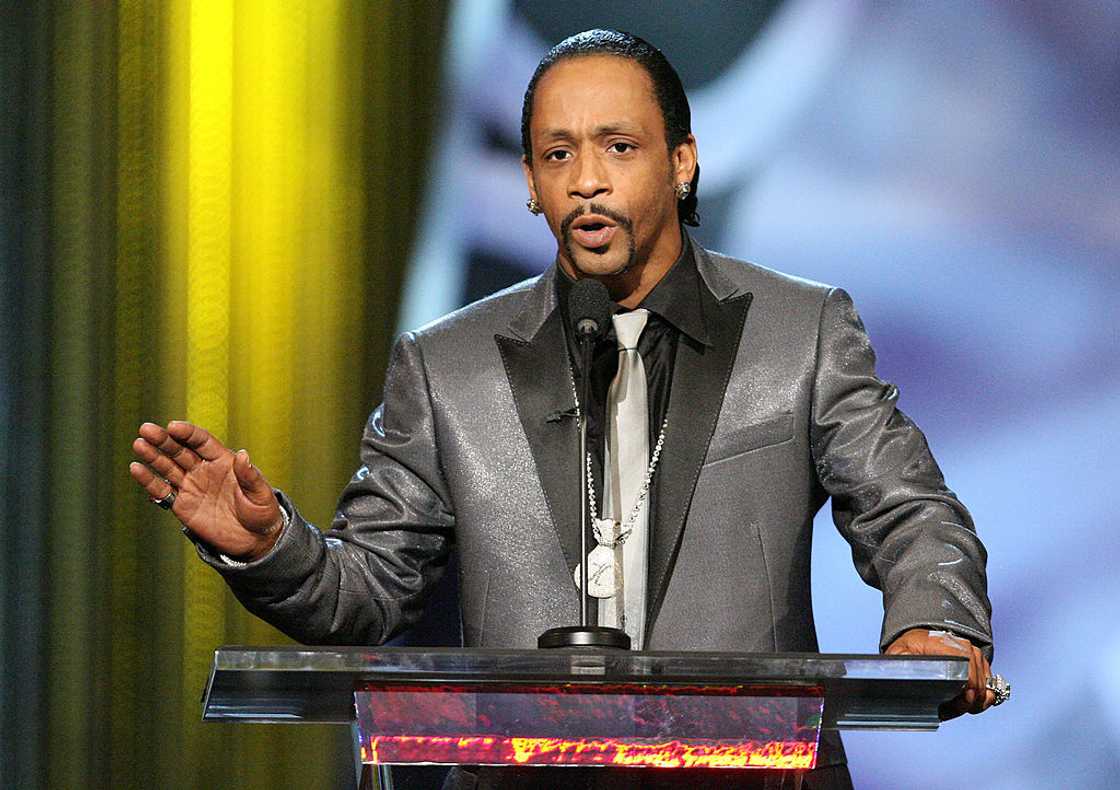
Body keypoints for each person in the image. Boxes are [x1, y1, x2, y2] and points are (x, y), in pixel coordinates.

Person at [129, 29, 1004, 790]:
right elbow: (369, 598)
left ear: (683, 162)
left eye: (618, 147)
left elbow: (909, 511)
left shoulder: (798, 332)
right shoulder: (447, 365)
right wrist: (269, 546)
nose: (586, 179)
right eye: (558, 154)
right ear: (530, 183)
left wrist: (934, 621)